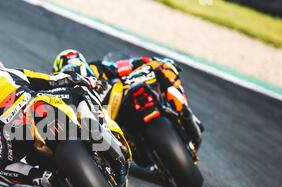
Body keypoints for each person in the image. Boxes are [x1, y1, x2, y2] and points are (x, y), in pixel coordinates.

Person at [0, 53, 100, 187]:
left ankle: (44, 177)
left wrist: (3, 139)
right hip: (35, 105)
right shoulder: (10, 72)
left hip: (13, 130)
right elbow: (52, 80)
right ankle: (94, 127)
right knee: (79, 91)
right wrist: (84, 80)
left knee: (1, 171)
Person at [52, 49, 204, 149]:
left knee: (163, 70)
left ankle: (183, 110)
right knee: (163, 68)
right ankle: (184, 112)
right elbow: (129, 65)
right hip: (108, 119)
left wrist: (147, 63)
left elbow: (127, 65)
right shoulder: (97, 68)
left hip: (115, 108)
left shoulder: (98, 68)